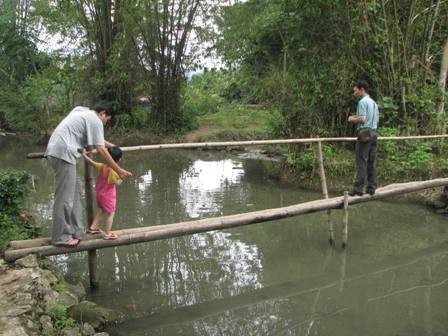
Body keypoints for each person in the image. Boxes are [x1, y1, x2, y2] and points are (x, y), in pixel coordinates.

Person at [45, 101, 132, 247]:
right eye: (106, 120)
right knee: (65, 199)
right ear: (103, 113)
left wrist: (111, 145)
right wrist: (119, 170)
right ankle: (60, 237)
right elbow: (100, 149)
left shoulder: (82, 112)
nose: (104, 124)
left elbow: (100, 141)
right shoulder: (95, 119)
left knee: (75, 195)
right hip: (62, 154)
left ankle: (77, 231)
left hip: (60, 152)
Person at [82, 147, 123, 240]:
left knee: (102, 210)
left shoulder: (102, 166)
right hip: (108, 197)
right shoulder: (113, 172)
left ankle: (92, 228)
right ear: (119, 159)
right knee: (111, 214)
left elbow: (90, 162)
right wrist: (122, 177)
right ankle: (108, 234)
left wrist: (84, 155)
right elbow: (118, 183)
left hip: (99, 195)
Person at [347, 80, 379, 196]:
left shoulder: (362, 102)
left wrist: (351, 119)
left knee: (362, 160)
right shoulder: (374, 103)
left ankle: (358, 189)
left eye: (355, 91)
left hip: (365, 133)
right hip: (374, 132)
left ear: (362, 90)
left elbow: (362, 119)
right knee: (371, 161)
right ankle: (371, 188)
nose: (354, 93)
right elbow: (375, 119)